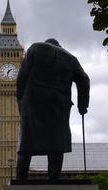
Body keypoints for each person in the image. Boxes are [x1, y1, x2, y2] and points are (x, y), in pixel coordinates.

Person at [16, 38, 90, 180]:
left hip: (33, 101)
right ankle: (54, 177)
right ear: (59, 46)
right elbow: (84, 80)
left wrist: (21, 98)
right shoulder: (71, 58)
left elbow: (22, 77)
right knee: (57, 140)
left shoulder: (35, 48)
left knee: (27, 140)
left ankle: (20, 179)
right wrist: (82, 105)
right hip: (59, 103)